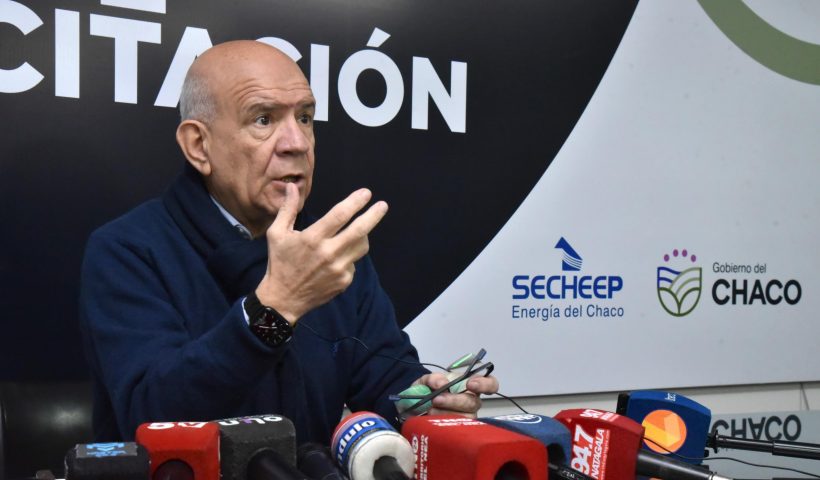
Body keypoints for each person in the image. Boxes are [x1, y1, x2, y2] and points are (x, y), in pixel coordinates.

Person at [79, 40, 498, 443]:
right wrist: (276, 309)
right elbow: (152, 415)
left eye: (305, 118)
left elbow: (384, 378)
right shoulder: (127, 250)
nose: (297, 143)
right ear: (199, 146)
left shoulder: (329, 250)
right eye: (263, 119)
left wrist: (423, 402)